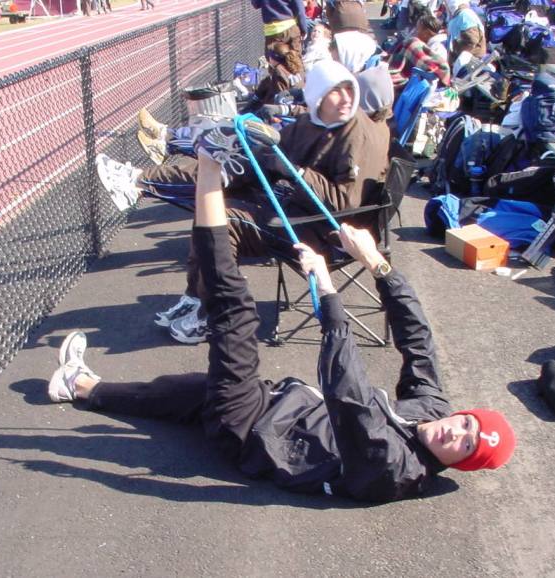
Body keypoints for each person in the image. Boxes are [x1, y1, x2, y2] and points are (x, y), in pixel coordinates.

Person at [47, 140, 516, 503]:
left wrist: (327, 291)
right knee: (178, 393)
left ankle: (209, 163)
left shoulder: (391, 468)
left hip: (251, 431)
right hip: (275, 401)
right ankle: (80, 386)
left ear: (459, 465)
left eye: (464, 446)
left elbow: (347, 391)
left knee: (235, 314)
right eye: (466, 425)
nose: (454, 433)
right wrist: (377, 263)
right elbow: (418, 341)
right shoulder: (433, 412)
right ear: (464, 414)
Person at [100, 61, 390, 344]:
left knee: (224, 221)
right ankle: (193, 291)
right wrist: (253, 153)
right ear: (318, 97)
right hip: (295, 207)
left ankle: (215, 314)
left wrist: (295, 171)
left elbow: (344, 204)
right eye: (336, 91)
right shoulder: (312, 122)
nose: (346, 98)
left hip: (322, 231)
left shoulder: (356, 134)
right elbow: (277, 152)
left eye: (349, 90)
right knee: (224, 179)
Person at [385, 7, 451, 89]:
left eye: (418, 29)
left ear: (426, 33)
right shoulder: (430, 44)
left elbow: (428, 70)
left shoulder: (437, 48)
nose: (415, 32)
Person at [254, 41, 305, 106]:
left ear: (274, 58)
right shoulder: (298, 66)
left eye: (270, 56)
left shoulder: (279, 72)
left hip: (289, 109)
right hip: (302, 105)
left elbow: (279, 98)